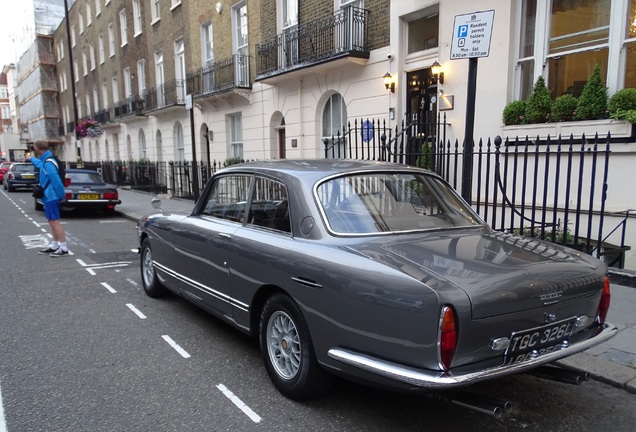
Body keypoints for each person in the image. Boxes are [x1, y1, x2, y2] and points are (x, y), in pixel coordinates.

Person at [27, 140, 69, 257]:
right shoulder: (47, 160)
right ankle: (54, 245)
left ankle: (64, 248)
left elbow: (56, 181)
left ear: (37, 148)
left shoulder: (48, 162)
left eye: (34, 148)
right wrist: (31, 159)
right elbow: (40, 165)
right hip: (49, 195)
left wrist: (61, 195)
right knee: (51, 221)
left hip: (52, 196)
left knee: (54, 221)